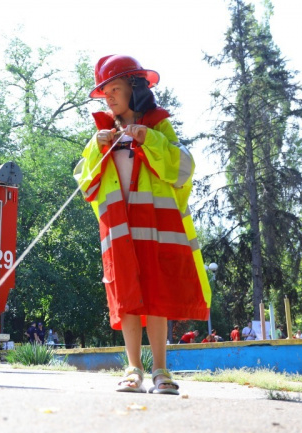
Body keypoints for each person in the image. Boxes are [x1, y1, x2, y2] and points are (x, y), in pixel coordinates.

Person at [73, 55, 210, 395]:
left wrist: (149, 138)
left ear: (136, 89)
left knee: (156, 297)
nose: (109, 98)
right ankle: (133, 368)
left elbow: (182, 169)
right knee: (128, 299)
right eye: (105, 93)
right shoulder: (101, 135)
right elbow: (85, 184)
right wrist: (96, 146)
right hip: (119, 231)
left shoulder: (159, 127)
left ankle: (161, 370)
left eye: (114, 89)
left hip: (154, 228)